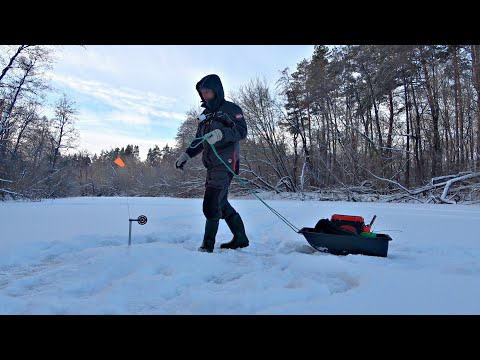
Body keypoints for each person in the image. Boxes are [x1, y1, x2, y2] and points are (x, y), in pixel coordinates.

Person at [175, 74, 249, 253]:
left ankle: (207, 246)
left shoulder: (231, 109)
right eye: (202, 93)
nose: (205, 95)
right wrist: (187, 154)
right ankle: (240, 237)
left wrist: (221, 134)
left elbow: (241, 131)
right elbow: (199, 139)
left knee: (211, 203)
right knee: (221, 203)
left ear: (216, 90)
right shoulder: (205, 115)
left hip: (227, 162)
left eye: (208, 91)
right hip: (211, 164)